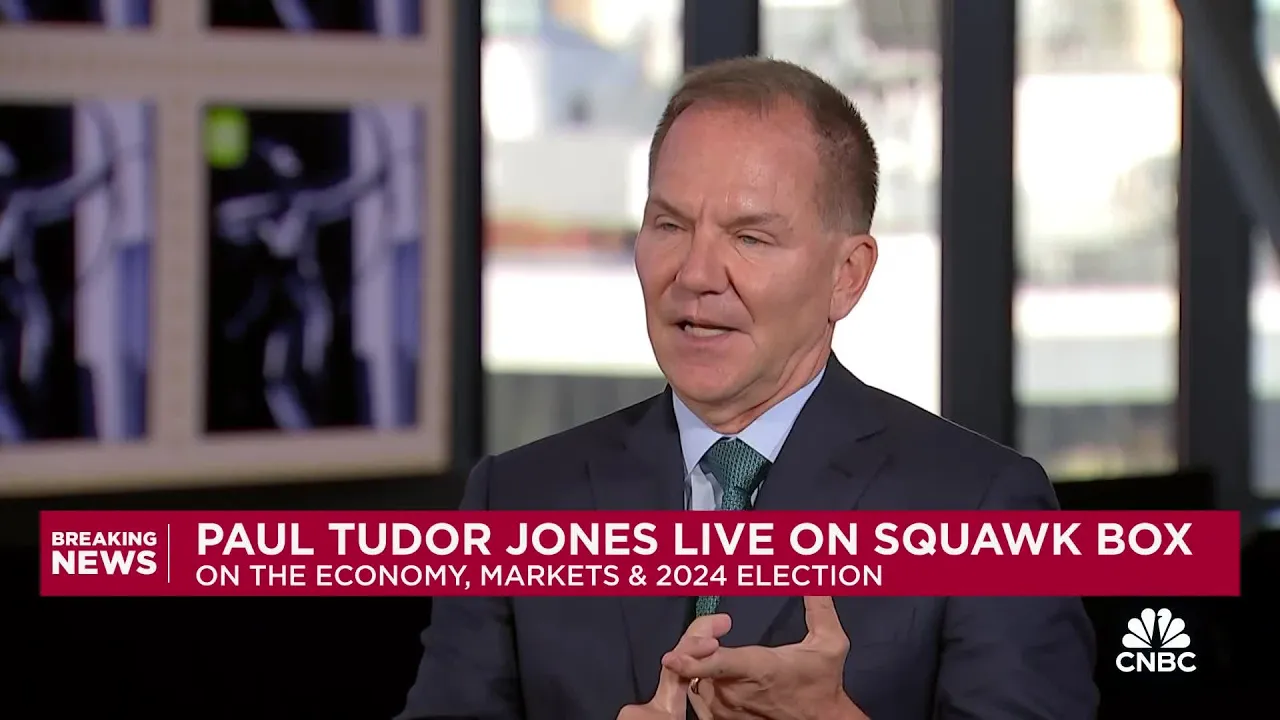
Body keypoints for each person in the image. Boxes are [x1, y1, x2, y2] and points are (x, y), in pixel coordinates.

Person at [398, 57, 1097, 720]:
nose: (697, 273)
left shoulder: (984, 510)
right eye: (669, 225)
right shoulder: (514, 502)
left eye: (750, 238)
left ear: (847, 275)